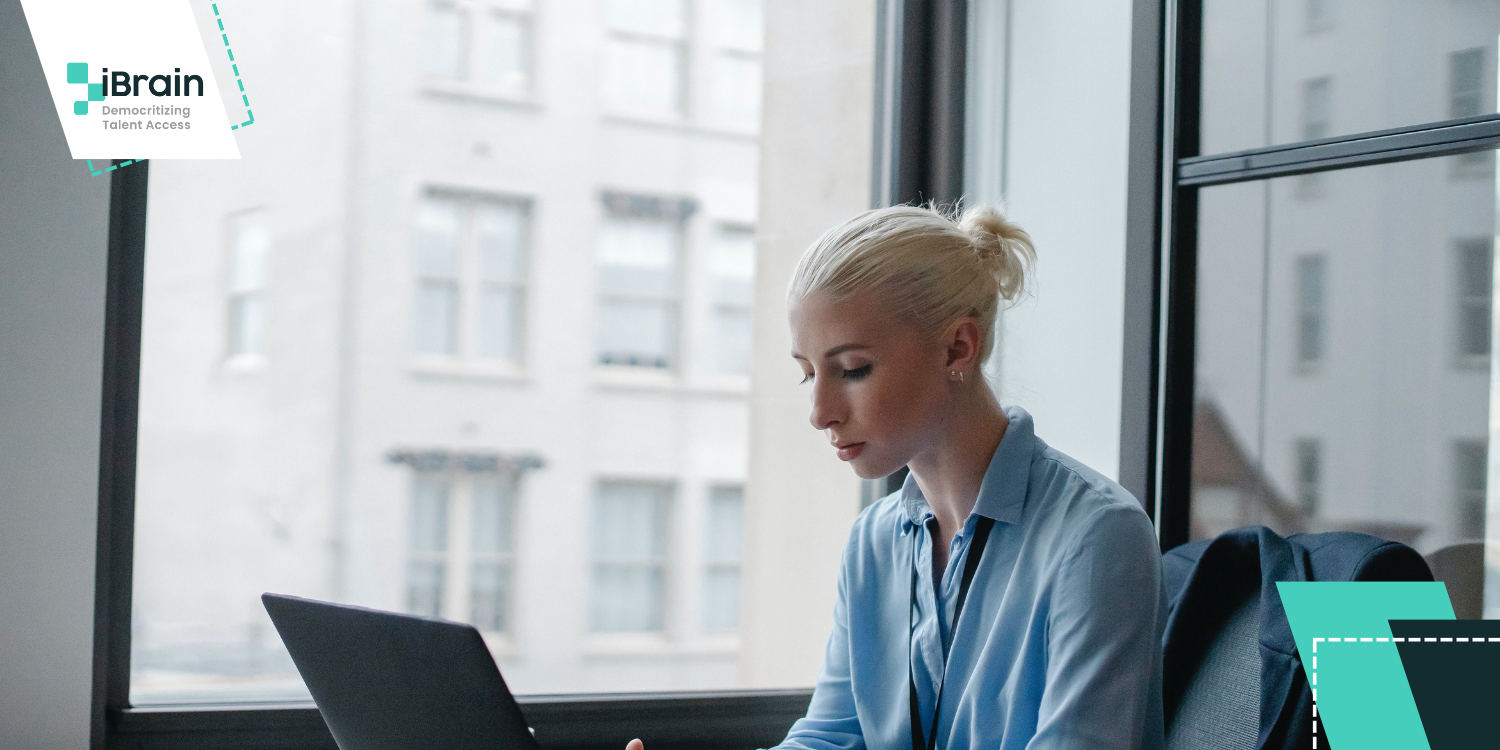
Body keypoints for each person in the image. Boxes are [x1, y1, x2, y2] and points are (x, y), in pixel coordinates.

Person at [629, 204, 1166, 750]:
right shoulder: (873, 542)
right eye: (809, 374)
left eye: (853, 369)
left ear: (958, 346)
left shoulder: (1098, 537)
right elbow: (833, 737)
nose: (820, 411)